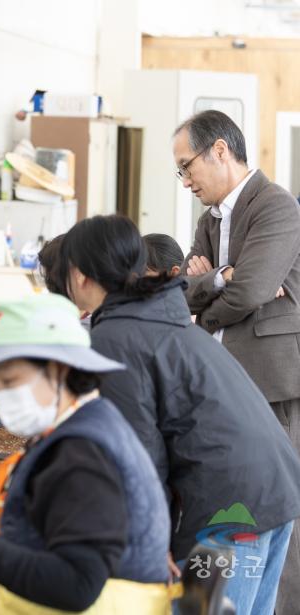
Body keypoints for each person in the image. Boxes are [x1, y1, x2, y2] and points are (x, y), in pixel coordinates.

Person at [58, 214, 300, 614]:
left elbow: (139, 454)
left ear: (80, 275)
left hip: (230, 510)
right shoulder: (160, 316)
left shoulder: (113, 338)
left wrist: (153, 546)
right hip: (275, 487)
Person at [0, 294, 171, 613]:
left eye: (11, 382)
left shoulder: (81, 454)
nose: (3, 396)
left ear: (59, 370)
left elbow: (77, 585)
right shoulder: (89, 421)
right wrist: (0, 519)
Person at [175, 110, 300, 610]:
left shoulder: (275, 206)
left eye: (188, 167)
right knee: (239, 513)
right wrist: (218, 281)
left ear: (220, 150)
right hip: (227, 385)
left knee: (276, 513)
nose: (185, 180)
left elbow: (246, 289)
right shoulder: (210, 219)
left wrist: (216, 294)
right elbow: (185, 288)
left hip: (274, 384)